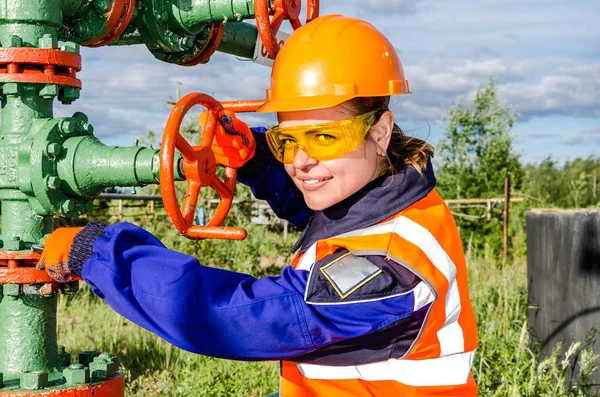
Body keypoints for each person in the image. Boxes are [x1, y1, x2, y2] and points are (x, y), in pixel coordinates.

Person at [39, 14, 478, 396]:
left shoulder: (390, 268)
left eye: (325, 137)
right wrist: (254, 156)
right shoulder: (392, 193)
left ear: (380, 131)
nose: (302, 162)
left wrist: (98, 252)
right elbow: (322, 211)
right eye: (288, 140)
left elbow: (228, 317)